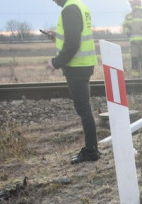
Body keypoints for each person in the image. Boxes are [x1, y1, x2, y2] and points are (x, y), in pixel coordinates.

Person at [47, 0, 100, 164]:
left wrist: (55, 63)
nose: (53, 1)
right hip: (83, 65)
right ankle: (92, 149)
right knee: (85, 108)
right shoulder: (79, 6)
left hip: (77, 66)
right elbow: (73, 36)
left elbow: (73, 43)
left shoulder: (69, 9)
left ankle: (91, 151)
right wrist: (57, 37)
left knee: (83, 109)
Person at [123, 0, 142, 77]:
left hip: (139, 43)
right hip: (140, 43)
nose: (130, 5)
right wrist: (127, 30)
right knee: (140, 59)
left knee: (138, 59)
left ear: (135, 4)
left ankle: (139, 76)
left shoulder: (130, 16)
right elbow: (125, 26)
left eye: (131, 3)